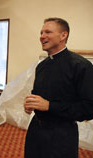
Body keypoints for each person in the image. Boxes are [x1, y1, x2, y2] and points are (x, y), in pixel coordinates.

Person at [24, 17, 93, 158]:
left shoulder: (81, 66)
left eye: (47, 32)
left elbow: (88, 109)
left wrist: (50, 106)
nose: (42, 36)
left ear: (63, 35)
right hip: (35, 131)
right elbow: (38, 95)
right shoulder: (41, 66)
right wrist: (30, 103)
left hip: (61, 136)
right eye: (41, 32)